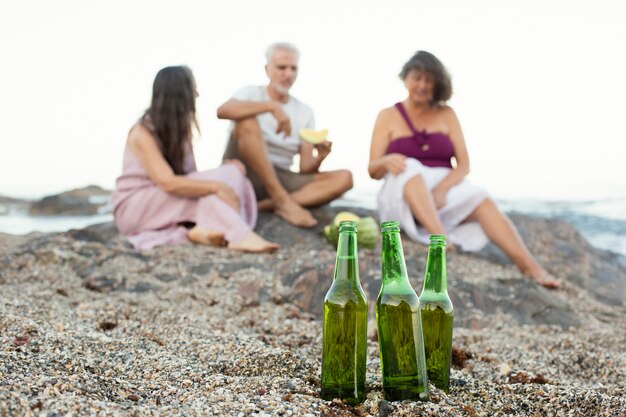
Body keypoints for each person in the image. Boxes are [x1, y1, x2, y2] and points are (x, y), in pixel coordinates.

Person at [368, 51, 560, 289]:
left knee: (481, 198)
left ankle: (530, 267)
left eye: (429, 80)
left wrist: (441, 189)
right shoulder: (387, 115)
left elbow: (464, 164)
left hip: (441, 194)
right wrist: (387, 161)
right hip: (402, 192)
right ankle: (440, 240)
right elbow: (372, 169)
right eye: (417, 78)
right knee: (411, 166)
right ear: (406, 78)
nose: (422, 85)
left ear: (437, 84)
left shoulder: (447, 114)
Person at [111, 66, 279, 253]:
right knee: (211, 191)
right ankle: (239, 235)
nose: (197, 94)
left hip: (167, 201)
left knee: (232, 172)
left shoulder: (181, 133)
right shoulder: (142, 132)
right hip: (136, 207)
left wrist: (223, 172)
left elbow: (191, 177)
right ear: (180, 95)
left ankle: (201, 231)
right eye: (193, 89)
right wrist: (217, 185)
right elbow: (168, 183)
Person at [217, 42, 353, 228]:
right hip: (242, 168)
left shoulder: (305, 111)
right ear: (267, 69)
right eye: (282, 67)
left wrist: (320, 157)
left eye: (293, 68)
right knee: (246, 121)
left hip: (281, 176)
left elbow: (305, 168)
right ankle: (283, 201)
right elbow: (223, 111)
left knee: (345, 177)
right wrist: (271, 107)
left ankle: (269, 204)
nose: (288, 74)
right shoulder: (250, 93)